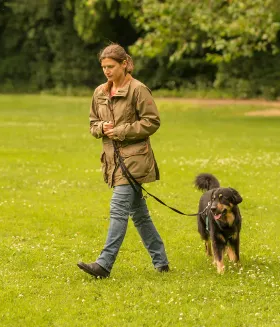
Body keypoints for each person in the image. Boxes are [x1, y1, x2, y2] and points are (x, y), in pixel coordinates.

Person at [77, 43, 170, 278]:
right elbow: (92, 124)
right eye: (103, 67)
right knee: (139, 214)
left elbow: (152, 121)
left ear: (124, 64)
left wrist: (120, 130)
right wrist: (101, 127)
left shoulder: (138, 90)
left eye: (111, 66)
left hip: (134, 161)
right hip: (112, 160)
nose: (107, 71)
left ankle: (104, 264)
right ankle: (161, 262)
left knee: (118, 209)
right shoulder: (99, 92)